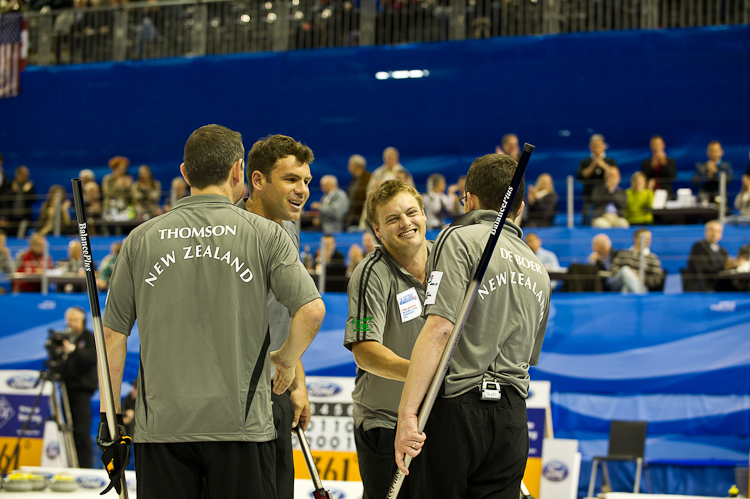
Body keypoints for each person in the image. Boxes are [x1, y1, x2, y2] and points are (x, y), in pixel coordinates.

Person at [100, 125, 325, 498]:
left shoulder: (139, 239)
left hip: (161, 428)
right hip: (241, 424)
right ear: (240, 172)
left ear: (186, 174)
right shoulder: (266, 234)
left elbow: (112, 335)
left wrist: (109, 421)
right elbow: (311, 310)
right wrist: (286, 362)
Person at [394, 153, 550, 498]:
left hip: (457, 410)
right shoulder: (539, 267)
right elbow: (528, 357)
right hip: (511, 419)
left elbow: (440, 328)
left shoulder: (459, 237)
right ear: (519, 207)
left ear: (471, 199)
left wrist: (407, 414)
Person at [239, 133, 317, 499]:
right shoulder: (230, 229)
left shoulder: (289, 229)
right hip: (236, 396)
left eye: (305, 181)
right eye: (291, 180)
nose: (302, 190)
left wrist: (297, 379)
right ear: (257, 180)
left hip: (277, 387)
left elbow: (287, 313)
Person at [344, 179, 431, 499]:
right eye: (393, 219)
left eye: (411, 213)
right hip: (386, 425)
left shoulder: (450, 261)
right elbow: (365, 352)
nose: (406, 223)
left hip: (441, 418)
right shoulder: (372, 274)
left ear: (424, 214)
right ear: (378, 231)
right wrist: (425, 376)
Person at [55, 306, 98, 467]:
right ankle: (71, 464)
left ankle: (85, 466)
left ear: (82, 321)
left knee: (81, 430)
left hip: (82, 389)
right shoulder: (64, 337)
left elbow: (92, 358)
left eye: (75, 320)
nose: (72, 323)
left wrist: (72, 349)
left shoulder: (88, 337)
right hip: (66, 387)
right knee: (68, 430)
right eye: (69, 320)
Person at [608, 228, 665, 293]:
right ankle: (640, 295)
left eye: (649, 239)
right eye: (645, 238)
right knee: (625, 270)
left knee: (626, 287)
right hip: (618, 284)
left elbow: (657, 279)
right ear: (635, 239)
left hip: (641, 286)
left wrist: (640, 278)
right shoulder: (623, 254)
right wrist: (630, 274)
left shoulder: (653, 258)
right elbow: (612, 269)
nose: (647, 241)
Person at [577, 135, 617, 225]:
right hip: (589, 198)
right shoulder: (585, 162)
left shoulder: (610, 161)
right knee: (587, 222)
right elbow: (580, 176)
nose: (597, 148)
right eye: (594, 146)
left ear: (604, 146)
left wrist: (603, 165)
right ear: (590, 147)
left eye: (599, 145)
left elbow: (615, 175)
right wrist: (593, 165)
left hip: (606, 198)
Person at [683, 220, 733, 292]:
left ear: (721, 234)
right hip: (702, 286)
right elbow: (703, 268)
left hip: (719, 285)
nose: (714, 234)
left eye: (717, 231)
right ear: (705, 232)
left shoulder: (723, 252)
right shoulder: (699, 247)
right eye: (711, 230)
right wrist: (724, 266)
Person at [5, 166, 37, 234]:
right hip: (11, 216)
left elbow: (34, 200)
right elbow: (5, 200)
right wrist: (13, 191)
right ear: (17, 175)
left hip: (24, 217)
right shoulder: (10, 184)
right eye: (24, 175)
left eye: (27, 175)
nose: (26, 177)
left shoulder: (29, 185)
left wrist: (26, 191)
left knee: (21, 235)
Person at [346, 154, 371, 229]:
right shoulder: (354, 179)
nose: (348, 166)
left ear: (357, 166)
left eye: (350, 164)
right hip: (353, 214)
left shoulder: (368, 178)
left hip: (362, 214)